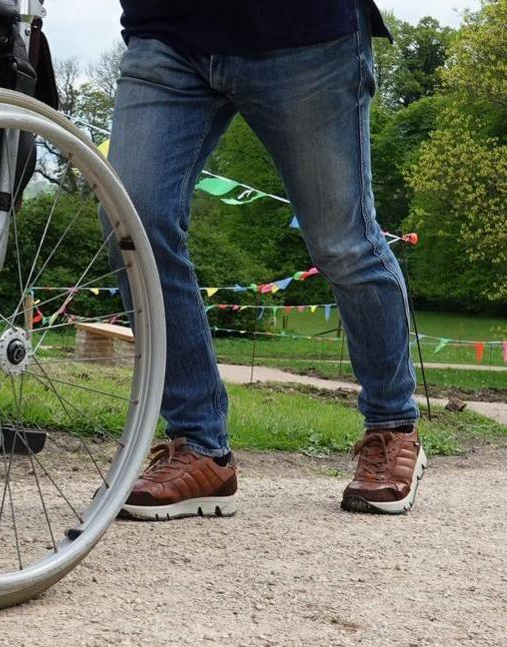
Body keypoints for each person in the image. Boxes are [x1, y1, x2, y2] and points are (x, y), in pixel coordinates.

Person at [105, 0, 425, 520]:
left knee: (343, 243)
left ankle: (392, 424)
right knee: (132, 223)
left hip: (305, 32)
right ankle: (200, 445)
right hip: (168, 30)